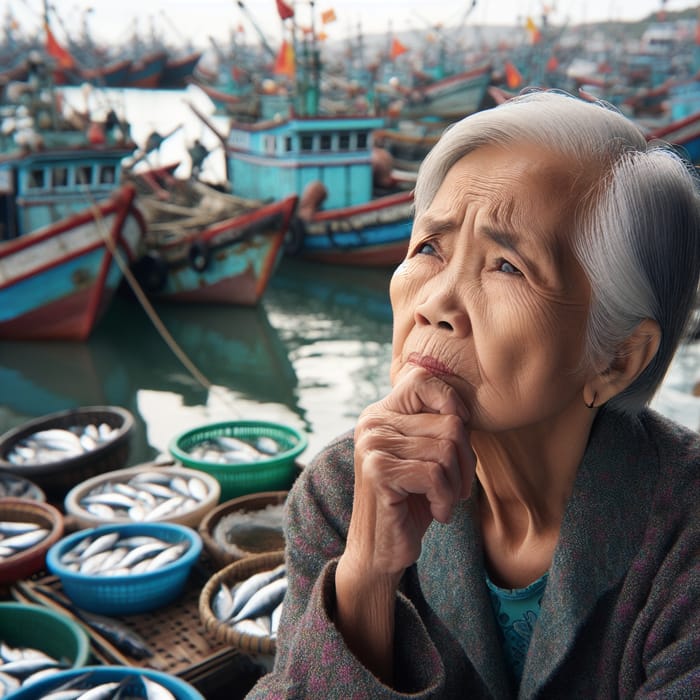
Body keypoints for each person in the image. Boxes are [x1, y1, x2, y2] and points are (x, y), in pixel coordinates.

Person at [245, 89, 700, 698]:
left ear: (616, 358)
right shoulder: (343, 491)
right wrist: (366, 579)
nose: (435, 303)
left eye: (506, 266)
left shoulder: (684, 542)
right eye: (429, 247)